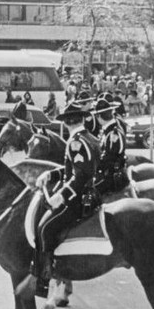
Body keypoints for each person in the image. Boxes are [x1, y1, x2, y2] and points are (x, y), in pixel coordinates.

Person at [30, 103, 101, 298]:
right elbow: (73, 169)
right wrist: (51, 175)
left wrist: (61, 195)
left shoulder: (76, 142)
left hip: (78, 198)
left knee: (44, 229)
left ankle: (44, 280)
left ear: (67, 122)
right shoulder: (90, 138)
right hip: (89, 193)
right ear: (81, 119)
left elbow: (80, 175)